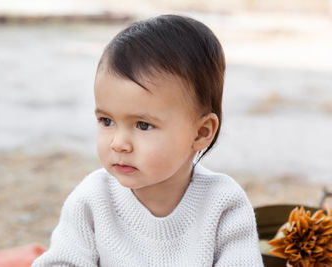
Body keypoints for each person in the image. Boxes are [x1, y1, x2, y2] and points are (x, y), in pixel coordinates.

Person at [32, 14, 264, 266]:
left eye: (143, 125)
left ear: (201, 133)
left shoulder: (223, 204)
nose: (118, 143)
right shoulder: (93, 199)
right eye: (106, 121)